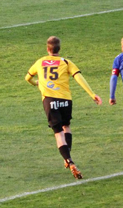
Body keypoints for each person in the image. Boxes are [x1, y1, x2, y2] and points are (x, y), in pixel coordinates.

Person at [26, 36, 102, 179]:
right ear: (59, 49)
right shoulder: (66, 62)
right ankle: (67, 157)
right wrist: (92, 94)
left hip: (49, 101)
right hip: (66, 100)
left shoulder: (40, 62)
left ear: (47, 49)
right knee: (66, 127)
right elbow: (78, 77)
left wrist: (36, 83)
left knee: (58, 133)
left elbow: (27, 78)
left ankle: (69, 160)